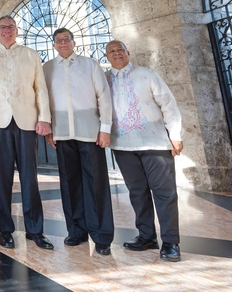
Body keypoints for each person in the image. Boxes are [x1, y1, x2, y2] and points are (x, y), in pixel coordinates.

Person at [0, 16, 53, 250]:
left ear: (16, 31)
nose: (7, 31)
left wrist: (44, 118)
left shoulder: (31, 55)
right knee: (1, 178)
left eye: (11, 27)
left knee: (30, 177)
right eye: (2, 27)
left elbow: (40, 87)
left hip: (27, 121)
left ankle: (35, 230)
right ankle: (6, 230)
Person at [105, 40, 183, 262]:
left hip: (154, 143)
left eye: (120, 50)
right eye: (112, 51)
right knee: (137, 192)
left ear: (128, 52)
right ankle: (147, 236)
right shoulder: (104, 80)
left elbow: (168, 104)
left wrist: (175, 134)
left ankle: (170, 242)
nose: (117, 53)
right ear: (107, 56)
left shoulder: (146, 74)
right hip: (122, 145)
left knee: (164, 193)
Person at [43, 28, 114, 255]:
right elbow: (43, 100)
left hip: (90, 133)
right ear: (54, 45)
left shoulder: (89, 65)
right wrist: (48, 130)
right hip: (62, 134)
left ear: (74, 42)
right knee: (69, 184)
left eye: (66, 39)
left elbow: (103, 96)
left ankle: (101, 236)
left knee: (95, 184)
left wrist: (105, 129)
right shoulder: (47, 68)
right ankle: (76, 231)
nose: (63, 43)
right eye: (58, 40)